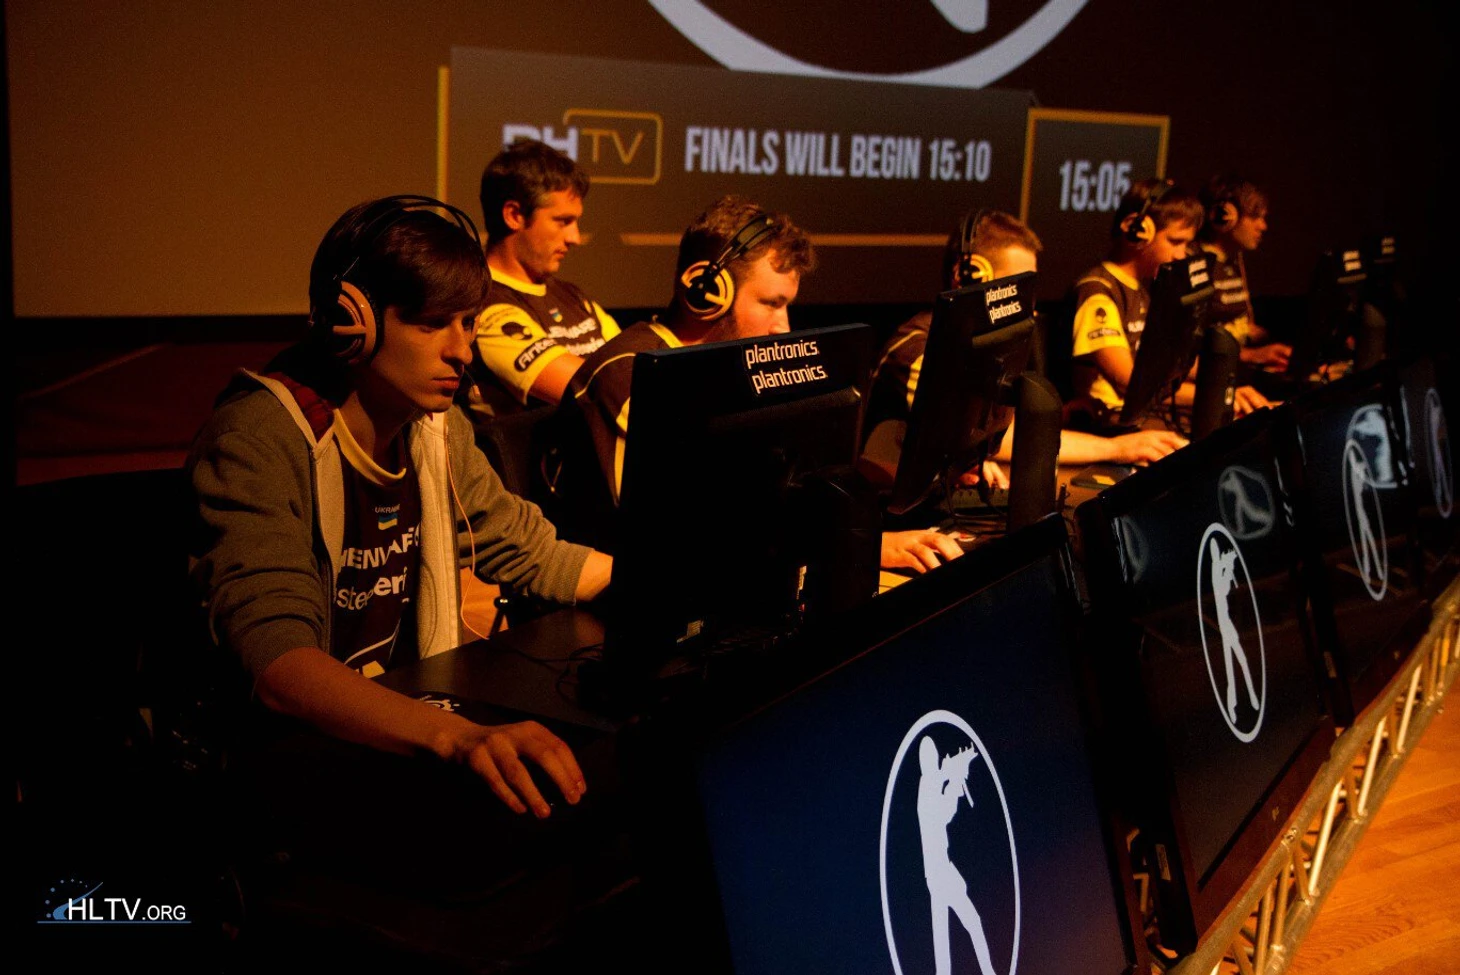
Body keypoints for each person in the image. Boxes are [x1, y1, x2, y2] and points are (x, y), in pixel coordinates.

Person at [188, 195, 612, 821]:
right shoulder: (260, 437)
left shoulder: (434, 424)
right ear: (351, 323)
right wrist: (459, 738)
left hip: (394, 735)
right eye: (431, 324)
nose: (461, 352)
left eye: (468, 324)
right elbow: (279, 663)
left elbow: (524, 546)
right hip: (279, 768)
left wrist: (658, 584)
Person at [551, 194, 966, 574]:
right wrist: (853, 547)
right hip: (629, 602)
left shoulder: (729, 370)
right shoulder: (631, 375)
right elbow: (688, 531)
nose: (783, 326)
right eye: (770, 303)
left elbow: (762, 503)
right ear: (706, 292)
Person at [858, 209, 1187, 490]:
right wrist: (1118, 448)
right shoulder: (916, 350)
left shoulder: (985, 344)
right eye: (1017, 288)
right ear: (969, 276)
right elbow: (1000, 439)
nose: (1029, 306)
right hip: (891, 523)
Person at [1068, 179, 1269, 431]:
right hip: (1113, 424)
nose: (1181, 254)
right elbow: (1133, 385)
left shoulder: (1147, 288)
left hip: (1148, 419)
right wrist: (1214, 395)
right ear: (1137, 231)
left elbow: (1173, 369)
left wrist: (1225, 385)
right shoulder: (1097, 291)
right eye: (1175, 242)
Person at [460, 140, 620, 419]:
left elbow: (632, 362)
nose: (575, 238)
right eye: (563, 221)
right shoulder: (485, 307)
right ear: (514, 215)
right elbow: (596, 391)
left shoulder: (571, 295)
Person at [1198, 174, 1292, 372]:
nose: (1263, 226)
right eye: (1255, 216)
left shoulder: (1233, 262)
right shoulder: (1197, 266)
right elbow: (1192, 348)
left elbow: (1238, 328)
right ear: (1224, 215)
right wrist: (1251, 355)